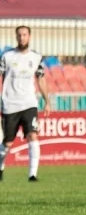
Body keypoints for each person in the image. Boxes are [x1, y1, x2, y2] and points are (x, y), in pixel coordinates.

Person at [0, 26, 50, 182]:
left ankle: (32, 174)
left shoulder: (36, 57)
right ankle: (0, 166)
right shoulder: (7, 57)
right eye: (19, 35)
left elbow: (40, 79)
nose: (22, 37)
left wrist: (47, 100)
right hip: (10, 104)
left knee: (32, 135)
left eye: (24, 34)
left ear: (29, 36)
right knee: (8, 142)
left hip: (29, 103)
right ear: (16, 37)